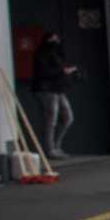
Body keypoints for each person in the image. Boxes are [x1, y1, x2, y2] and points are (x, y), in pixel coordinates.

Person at [31, 30, 78, 159]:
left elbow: (59, 69)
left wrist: (67, 72)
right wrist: (62, 71)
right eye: (53, 39)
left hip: (58, 88)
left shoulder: (57, 54)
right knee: (51, 120)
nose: (56, 42)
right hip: (46, 89)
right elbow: (44, 72)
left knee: (68, 117)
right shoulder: (41, 54)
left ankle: (56, 146)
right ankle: (50, 149)